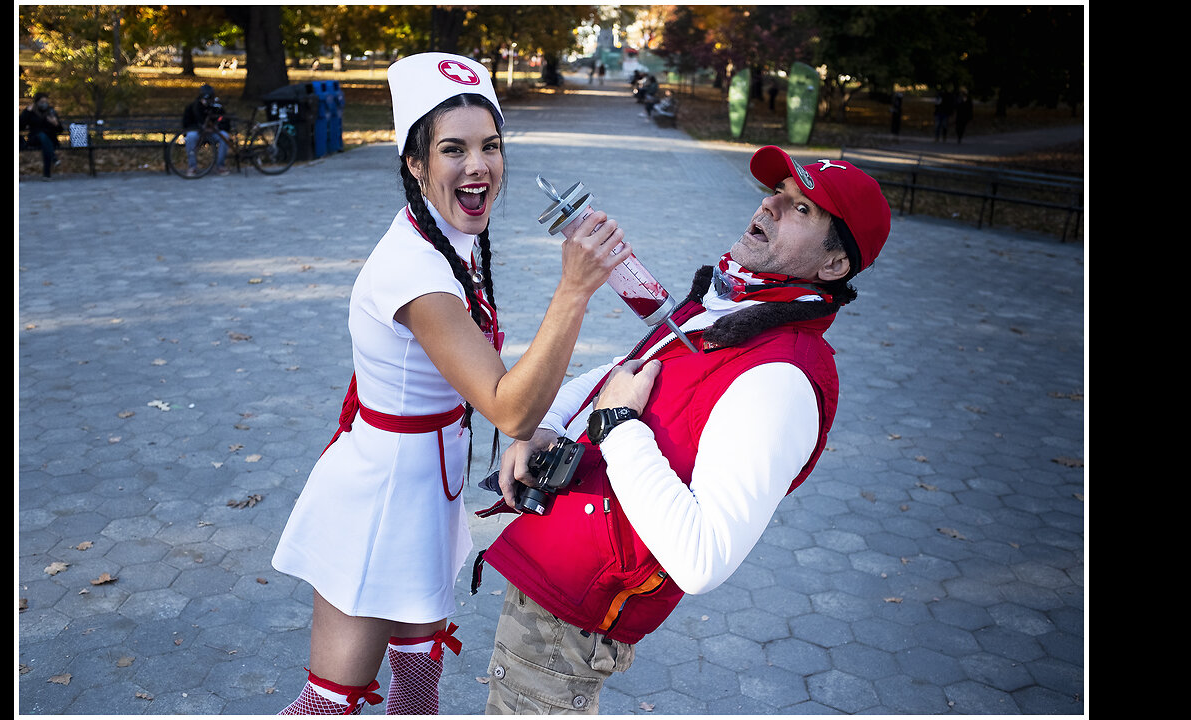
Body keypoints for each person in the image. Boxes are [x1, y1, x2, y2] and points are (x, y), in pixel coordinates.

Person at [271, 52, 630, 715]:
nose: (479, 165)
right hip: (377, 503)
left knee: (417, 685)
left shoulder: (443, 237)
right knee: (328, 704)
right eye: (453, 149)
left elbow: (494, 396)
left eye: (490, 146)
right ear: (414, 163)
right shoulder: (415, 270)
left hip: (426, 490)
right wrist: (574, 289)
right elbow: (507, 405)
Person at [474, 146, 892, 714]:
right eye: (777, 192)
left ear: (835, 266)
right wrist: (544, 425)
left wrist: (618, 425)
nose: (769, 204)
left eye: (800, 209)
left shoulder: (784, 376)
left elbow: (703, 558)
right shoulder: (727, 310)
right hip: (552, 564)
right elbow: (628, 370)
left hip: (573, 623)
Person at [181, 84, 232, 175]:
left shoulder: (216, 107)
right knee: (191, 137)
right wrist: (199, 128)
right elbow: (186, 124)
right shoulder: (192, 107)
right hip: (198, 132)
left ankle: (220, 165)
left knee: (224, 136)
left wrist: (217, 127)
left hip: (214, 133)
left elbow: (224, 121)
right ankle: (192, 167)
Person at [19, 93, 64, 181]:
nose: (44, 104)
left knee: (45, 141)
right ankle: (49, 169)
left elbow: (60, 130)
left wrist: (55, 123)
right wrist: (27, 112)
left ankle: (47, 173)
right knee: (42, 136)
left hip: (50, 139)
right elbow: (20, 126)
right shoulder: (31, 112)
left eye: (46, 102)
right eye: (42, 102)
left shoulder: (51, 112)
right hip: (34, 139)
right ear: (37, 102)